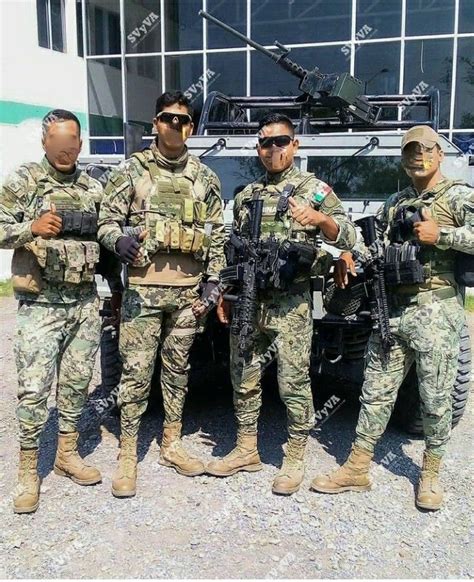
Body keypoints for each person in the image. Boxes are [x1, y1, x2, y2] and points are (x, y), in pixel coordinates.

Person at [311, 125, 473, 511]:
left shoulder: (459, 196)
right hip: (393, 313)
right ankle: (357, 467)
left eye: (425, 149)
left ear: (439, 154)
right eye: (410, 151)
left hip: (437, 311)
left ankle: (430, 474)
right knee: (375, 393)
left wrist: (444, 235)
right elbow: (376, 246)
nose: (418, 156)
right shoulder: (394, 202)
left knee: (435, 400)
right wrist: (349, 256)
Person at [207, 113, 357, 495]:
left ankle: (294, 456)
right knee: (243, 376)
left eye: (281, 141)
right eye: (265, 142)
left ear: (295, 144)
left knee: (294, 382)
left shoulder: (314, 189)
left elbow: (349, 236)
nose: (273, 149)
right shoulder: (245, 196)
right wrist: (224, 294)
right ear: (258, 148)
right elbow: (231, 251)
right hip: (249, 301)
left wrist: (320, 219)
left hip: (290, 304)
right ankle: (245, 449)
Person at [98, 91, 225, 497]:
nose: (176, 126)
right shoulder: (130, 171)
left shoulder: (205, 178)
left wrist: (213, 279)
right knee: (135, 375)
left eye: (184, 121)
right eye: (169, 118)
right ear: (156, 122)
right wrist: (117, 242)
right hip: (142, 294)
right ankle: (127, 454)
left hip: (188, 296)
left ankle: (171, 442)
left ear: (191, 127)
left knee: (176, 371)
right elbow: (106, 220)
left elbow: (218, 236)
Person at [0, 109, 123, 514]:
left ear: (81, 145)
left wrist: (117, 290)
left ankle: (66, 453)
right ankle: (28, 471)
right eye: (57, 143)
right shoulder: (24, 181)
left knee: (75, 385)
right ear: (44, 142)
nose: (65, 151)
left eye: (72, 144)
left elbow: (106, 245)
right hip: (41, 304)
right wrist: (31, 228)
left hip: (84, 303)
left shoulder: (92, 186)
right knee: (34, 390)